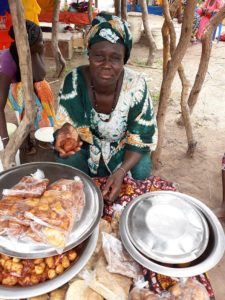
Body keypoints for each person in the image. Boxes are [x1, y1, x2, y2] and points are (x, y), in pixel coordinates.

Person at [54, 12, 157, 203]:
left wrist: (120, 171)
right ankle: (81, 201)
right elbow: (66, 124)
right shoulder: (74, 81)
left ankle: (123, 198)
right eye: (99, 56)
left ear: (124, 59)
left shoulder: (135, 86)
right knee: (65, 160)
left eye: (115, 58)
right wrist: (66, 132)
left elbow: (141, 137)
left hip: (123, 150)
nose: (106, 65)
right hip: (87, 148)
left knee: (141, 168)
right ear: (89, 55)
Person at [0, 20, 55, 152]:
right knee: (29, 88)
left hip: (34, 87)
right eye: (39, 40)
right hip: (13, 93)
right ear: (27, 44)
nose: (43, 43)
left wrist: (34, 52)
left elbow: (40, 76)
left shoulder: (38, 48)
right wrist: (5, 140)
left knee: (42, 86)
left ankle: (44, 132)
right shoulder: (7, 59)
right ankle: (28, 133)